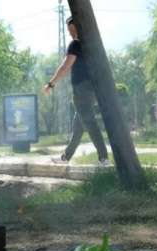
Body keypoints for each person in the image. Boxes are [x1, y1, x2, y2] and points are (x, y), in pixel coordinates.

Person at [44, 16, 109, 166]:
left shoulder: (75, 44)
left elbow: (65, 66)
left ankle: (103, 158)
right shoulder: (90, 45)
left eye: (70, 29)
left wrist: (51, 83)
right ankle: (65, 158)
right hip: (90, 89)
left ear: (75, 27)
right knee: (78, 127)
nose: (69, 33)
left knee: (90, 123)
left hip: (81, 90)